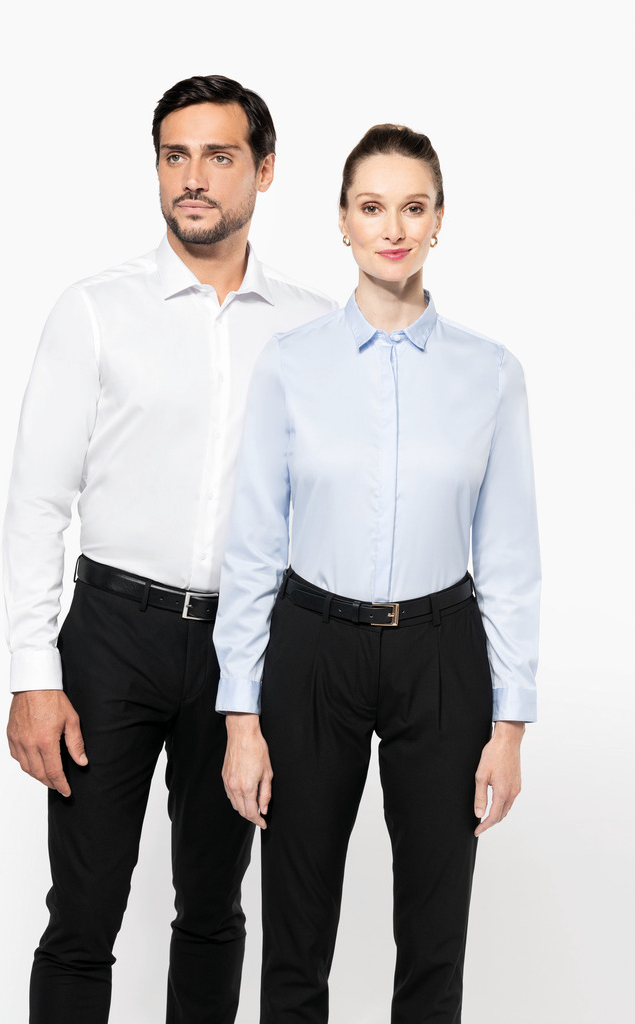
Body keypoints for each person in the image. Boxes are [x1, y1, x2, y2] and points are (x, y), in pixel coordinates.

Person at [3, 74, 336, 1024]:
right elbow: (36, 504)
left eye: (219, 156)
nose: (193, 177)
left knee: (214, 910)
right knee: (82, 915)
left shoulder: (313, 331)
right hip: (112, 634)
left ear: (264, 172)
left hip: (243, 648)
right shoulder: (94, 310)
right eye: (174, 155)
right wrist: (34, 675)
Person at [213, 123, 541, 1023]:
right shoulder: (291, 365)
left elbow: (510, 558)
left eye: (412, 207)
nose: (392, 228)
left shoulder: (491, 374)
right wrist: (240, 715)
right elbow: (253, 546)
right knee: (295, 933)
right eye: (371, 207)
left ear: (439, 220)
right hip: (313, 649)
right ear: (342, 222)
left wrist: (510, 725)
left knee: (435, 940)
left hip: (440, 654)